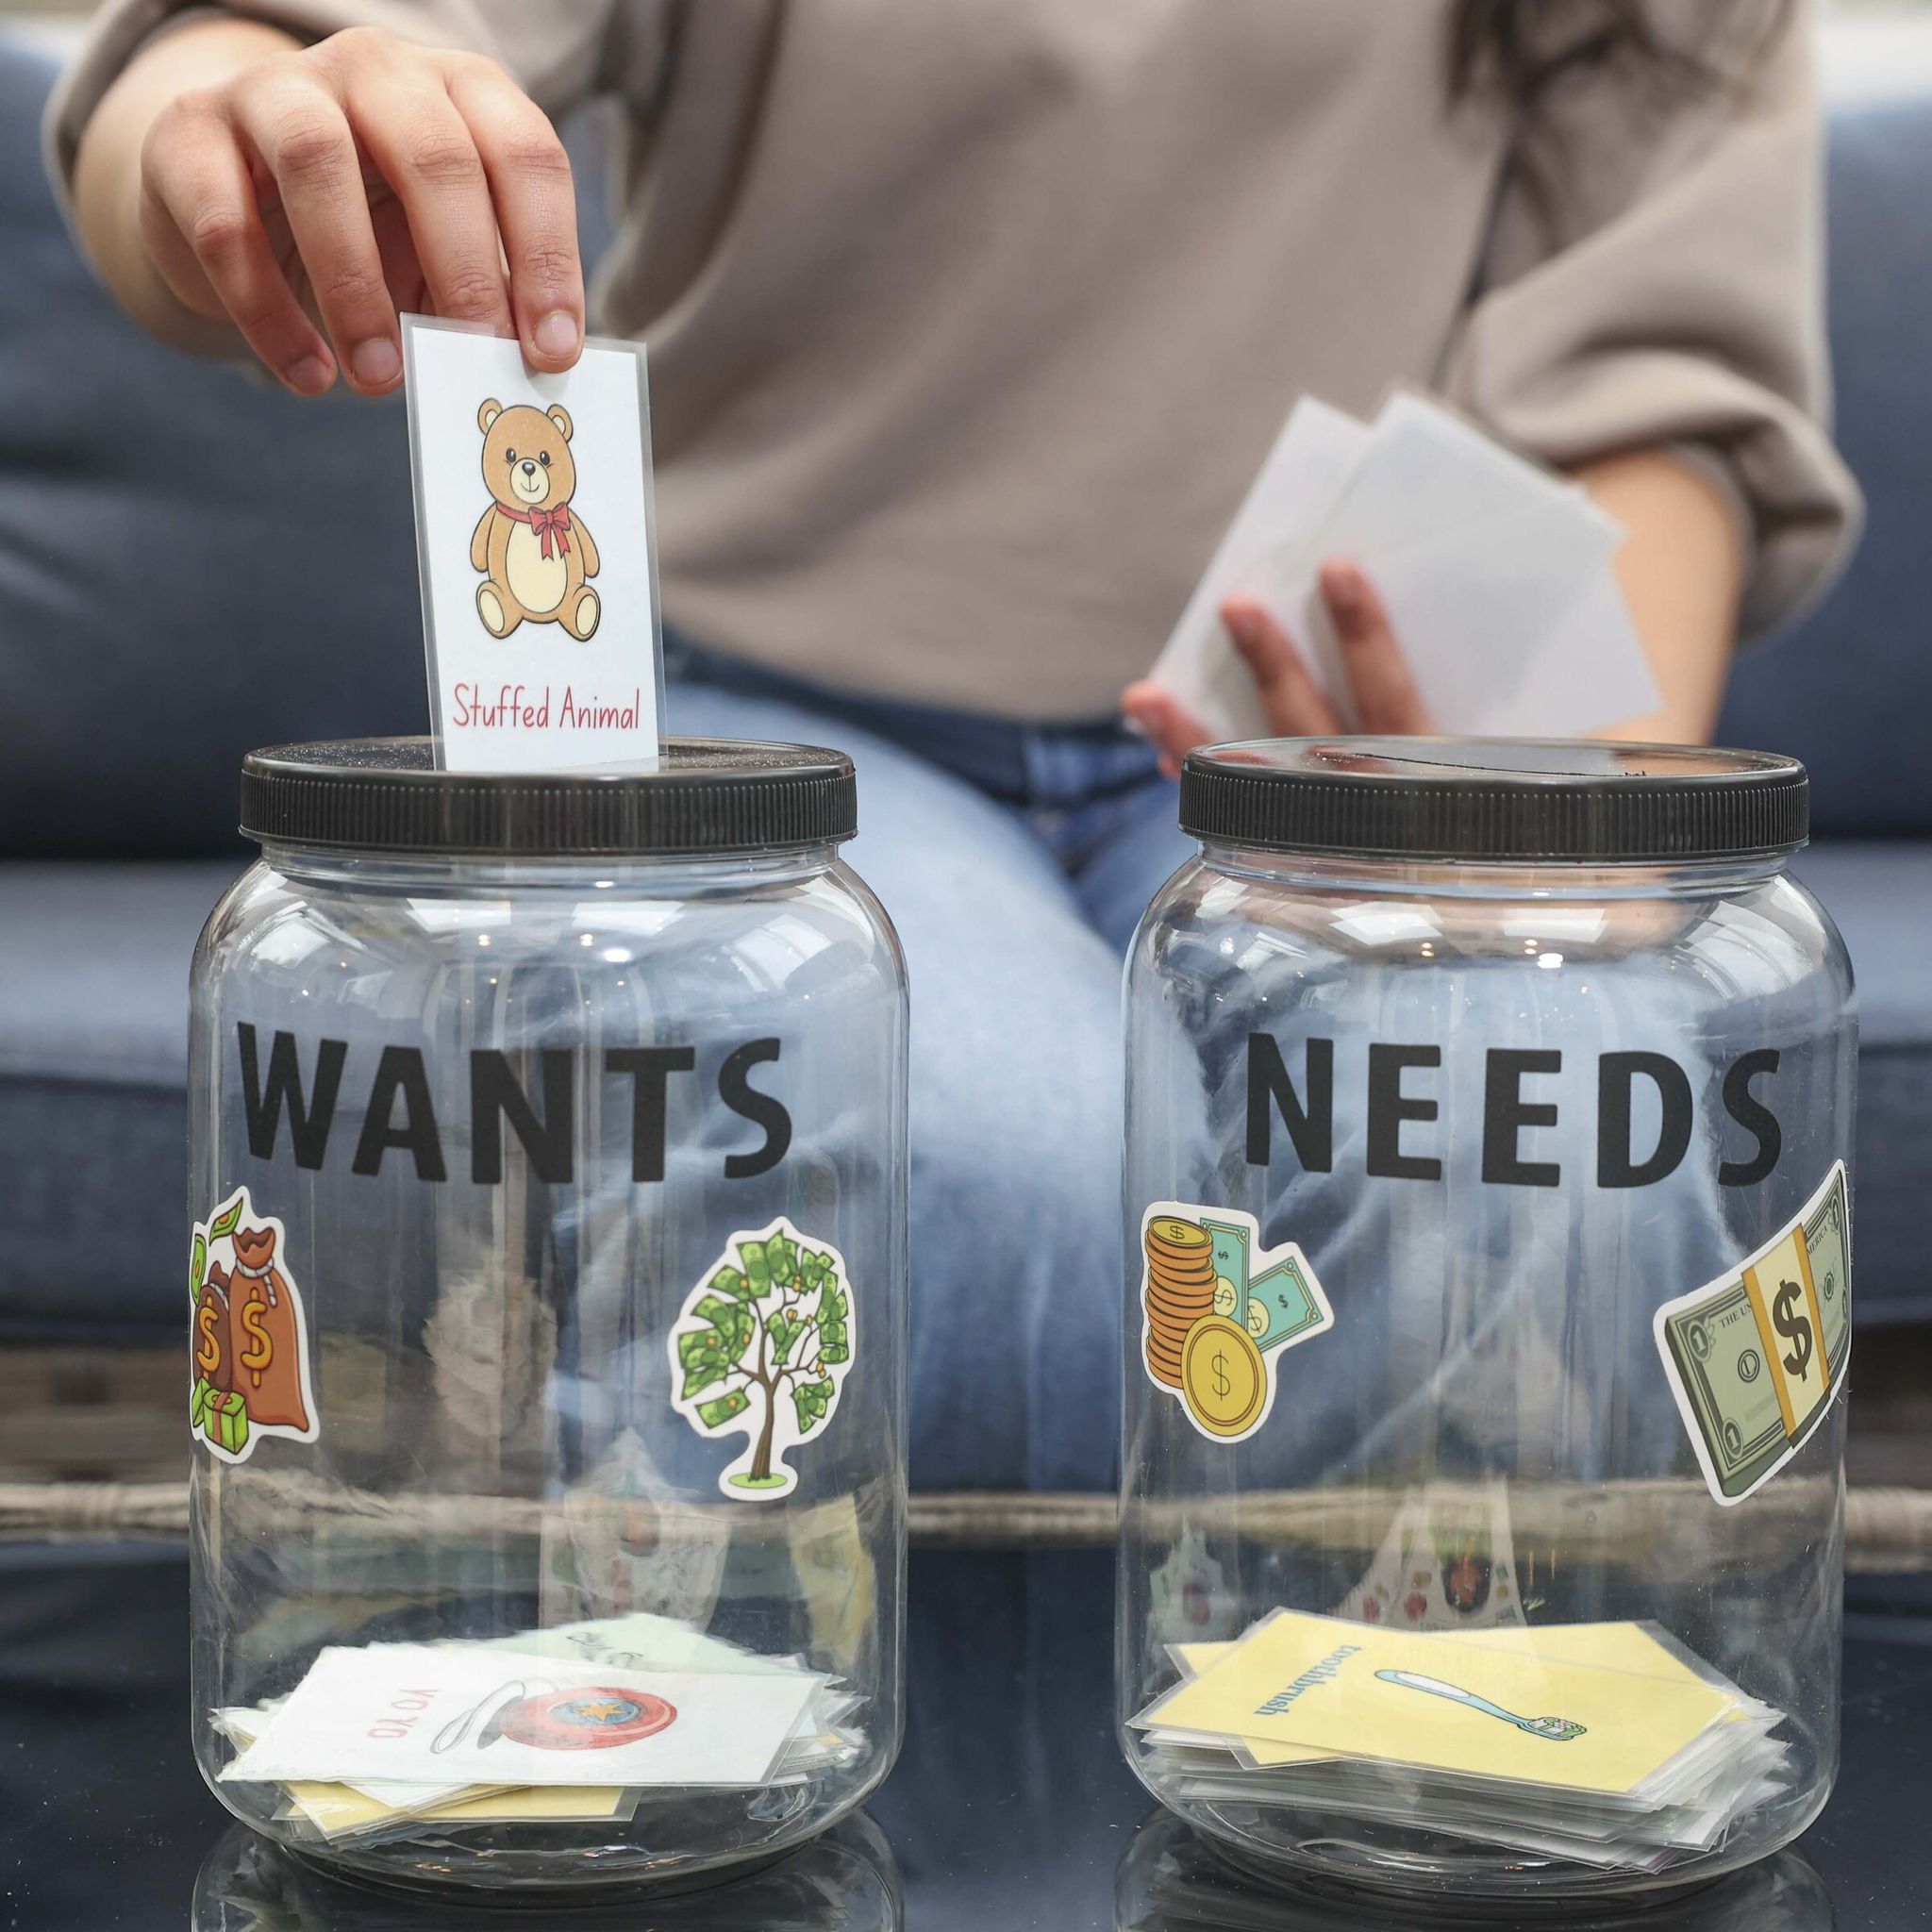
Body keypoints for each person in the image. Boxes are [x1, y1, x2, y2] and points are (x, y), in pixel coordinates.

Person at [50, 1, 1859, 1491]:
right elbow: (220, 75)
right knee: (962, 1182)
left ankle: (1330, 1772)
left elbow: (1668, 383)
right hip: (799, 718)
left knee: (1540, 1120)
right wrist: (243, 120)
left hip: (1347, 755)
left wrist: (1566, 797)